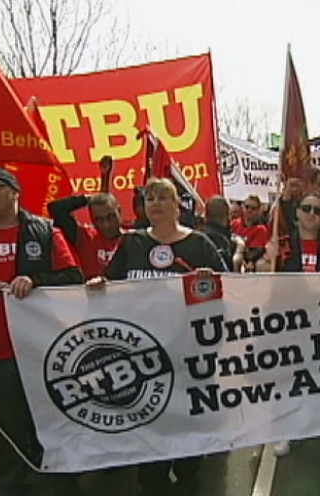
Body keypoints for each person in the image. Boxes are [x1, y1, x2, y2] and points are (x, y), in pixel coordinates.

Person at [87, 178, 225, 495]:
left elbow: (225, 292)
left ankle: (188, 469)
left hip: (187, 353)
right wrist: (99, 285)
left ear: (178, 205)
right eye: (150, 199)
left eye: (164, 198)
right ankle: (153, 476)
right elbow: (113, 286)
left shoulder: (200, 245)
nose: (156, 204)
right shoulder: (132, 243)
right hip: (144, 356)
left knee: (187, 426)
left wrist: (207, 283)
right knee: (151, 422)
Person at [0, 167, 83, 495]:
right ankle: (9, 487)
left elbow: (72, 278)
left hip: (41, 352)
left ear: (14, 193)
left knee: (53, 424)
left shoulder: (44, 232)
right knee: (7, 432)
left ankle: (62, 484)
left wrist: (36, 281)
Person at [260, 192, 320, 457]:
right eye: (307, 208)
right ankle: (287, 430)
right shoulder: (282, 246)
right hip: (290, 324)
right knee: (289, 377)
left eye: (317, 210)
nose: (312, 214)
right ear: (297, 213)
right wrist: (268, 261)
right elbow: (261, 281)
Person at [47, 192, 123, 280]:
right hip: (91, 292)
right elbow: (56, 209)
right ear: (91, 218)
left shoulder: (133, 240)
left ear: (119, 211)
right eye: (99, 220)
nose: (106, 225)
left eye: (111, 217)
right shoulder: (84, 236)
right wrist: (86, 199)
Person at [202, 195, 244, 272]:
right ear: (228, 216)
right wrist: (240, 248)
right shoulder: (231, 244)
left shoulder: (196, 238)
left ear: (205, 215)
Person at [231, 195, 269, 272]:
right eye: (247, 207)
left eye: (253, 208)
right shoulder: (234, 224)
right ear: (243, 208)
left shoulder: (261, 230)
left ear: (259, 210)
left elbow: (254, 253)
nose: (249, 210)